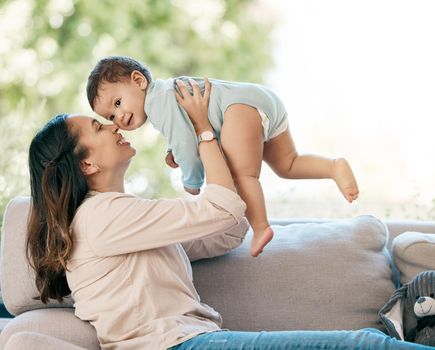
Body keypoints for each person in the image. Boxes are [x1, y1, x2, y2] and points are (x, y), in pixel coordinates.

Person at [25, 79, 424, 350]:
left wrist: (222, 153)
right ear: (86, 165)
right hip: (179, 346)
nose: (114, 125)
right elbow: (222, 209)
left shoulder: (123, 218)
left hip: (194, 341)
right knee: (367, 346)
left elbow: (227, 230)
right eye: (99, 126)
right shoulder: (100, 218)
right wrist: (202, 129)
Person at [86, 55, 359, 257]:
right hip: (260, 101)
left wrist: (192, 181)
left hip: (238, 110)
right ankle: (333, 167)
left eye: (118, 103)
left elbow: (186, 141)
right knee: (287, 164)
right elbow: (186, 133)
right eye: (110, 116)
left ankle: (261, 226)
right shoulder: (165, 94)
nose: (119, 117)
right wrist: (174, 152)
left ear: (139, 80)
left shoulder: (157, 104)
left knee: (242, 175)